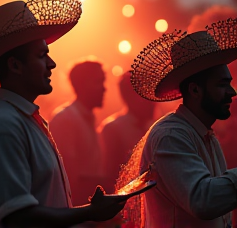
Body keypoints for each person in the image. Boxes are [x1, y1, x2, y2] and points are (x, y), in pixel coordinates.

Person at [0, 0, 128, 228]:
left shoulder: (24, 119)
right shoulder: (2, 125)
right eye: (42, 55)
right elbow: (19, 215)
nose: (51, 63)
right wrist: (90, 213)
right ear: (15, 65)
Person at [116, 18, 237, 228]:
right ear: (195, 90)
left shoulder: (205, 135)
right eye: (222, 84)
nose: (232, 93)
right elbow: (203, 201)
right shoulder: (171, 135)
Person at [49, 59, 106, 208]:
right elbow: (69, 179)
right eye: (98, 82)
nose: (104, 88)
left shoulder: (89, 118)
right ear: (83, 85)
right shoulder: (66, 119)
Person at [98, 71, 155, 193]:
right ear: (130, 97)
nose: (152, 100)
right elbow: (110, 175)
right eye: (146, 93)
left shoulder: (155, 125)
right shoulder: (113, 128)